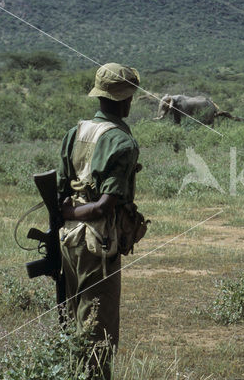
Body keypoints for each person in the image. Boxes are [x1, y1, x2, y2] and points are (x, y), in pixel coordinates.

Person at [57, 62, 141, 379]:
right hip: (97, 242)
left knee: (73, 316)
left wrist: (67, 214)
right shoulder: (121, 142)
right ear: (125, 98)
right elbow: (104, 206)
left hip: (68, 240)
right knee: (98, 327)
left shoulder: (74, 133)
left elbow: (62, 192)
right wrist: (79, 211)